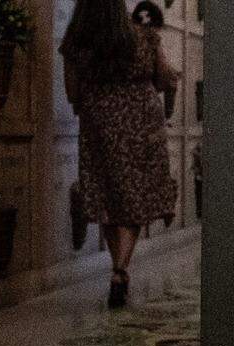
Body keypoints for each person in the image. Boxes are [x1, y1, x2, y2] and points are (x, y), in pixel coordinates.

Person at [61, 0, 179, 308]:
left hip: (99, 122)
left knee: (108, 196)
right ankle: (120, 269)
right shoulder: (143, 36)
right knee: (134, 196)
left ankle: (119, 270)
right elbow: (165, 76)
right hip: (141, 119)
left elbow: (72, 92)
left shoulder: (75, 42)